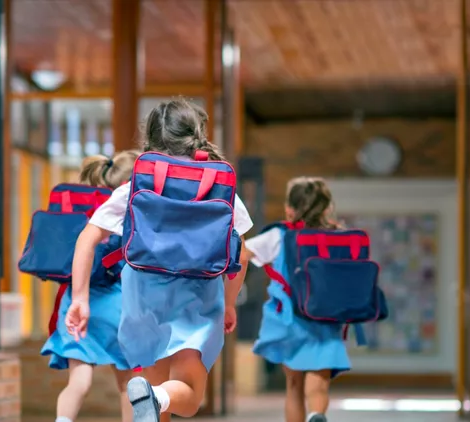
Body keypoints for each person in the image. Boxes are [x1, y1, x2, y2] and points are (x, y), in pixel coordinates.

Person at [65, 98, 253, 422]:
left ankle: (155, 397)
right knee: (187, 395)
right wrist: (231, 302)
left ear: (149, 139)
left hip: (143, 301)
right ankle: (159, 396)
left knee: (150, 409)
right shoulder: (218, 187)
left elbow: (88, 238)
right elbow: (243, 251)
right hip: (196, 303)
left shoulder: (138, 184)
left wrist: (79, 298)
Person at [41, 150, 141, 422]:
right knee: (127, 386)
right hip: (117, 305)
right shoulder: (128, 210)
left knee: (78, 382)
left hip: (76, 301)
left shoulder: (86, 212)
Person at [242, 177, 350, 422]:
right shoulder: (338, 236)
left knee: (294, 385)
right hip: (326, 318)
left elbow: (242, 254)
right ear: (325, 207)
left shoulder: (279, 235)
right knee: (319, 382)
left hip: (289, 319)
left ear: (290, 208)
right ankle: (316, 414)